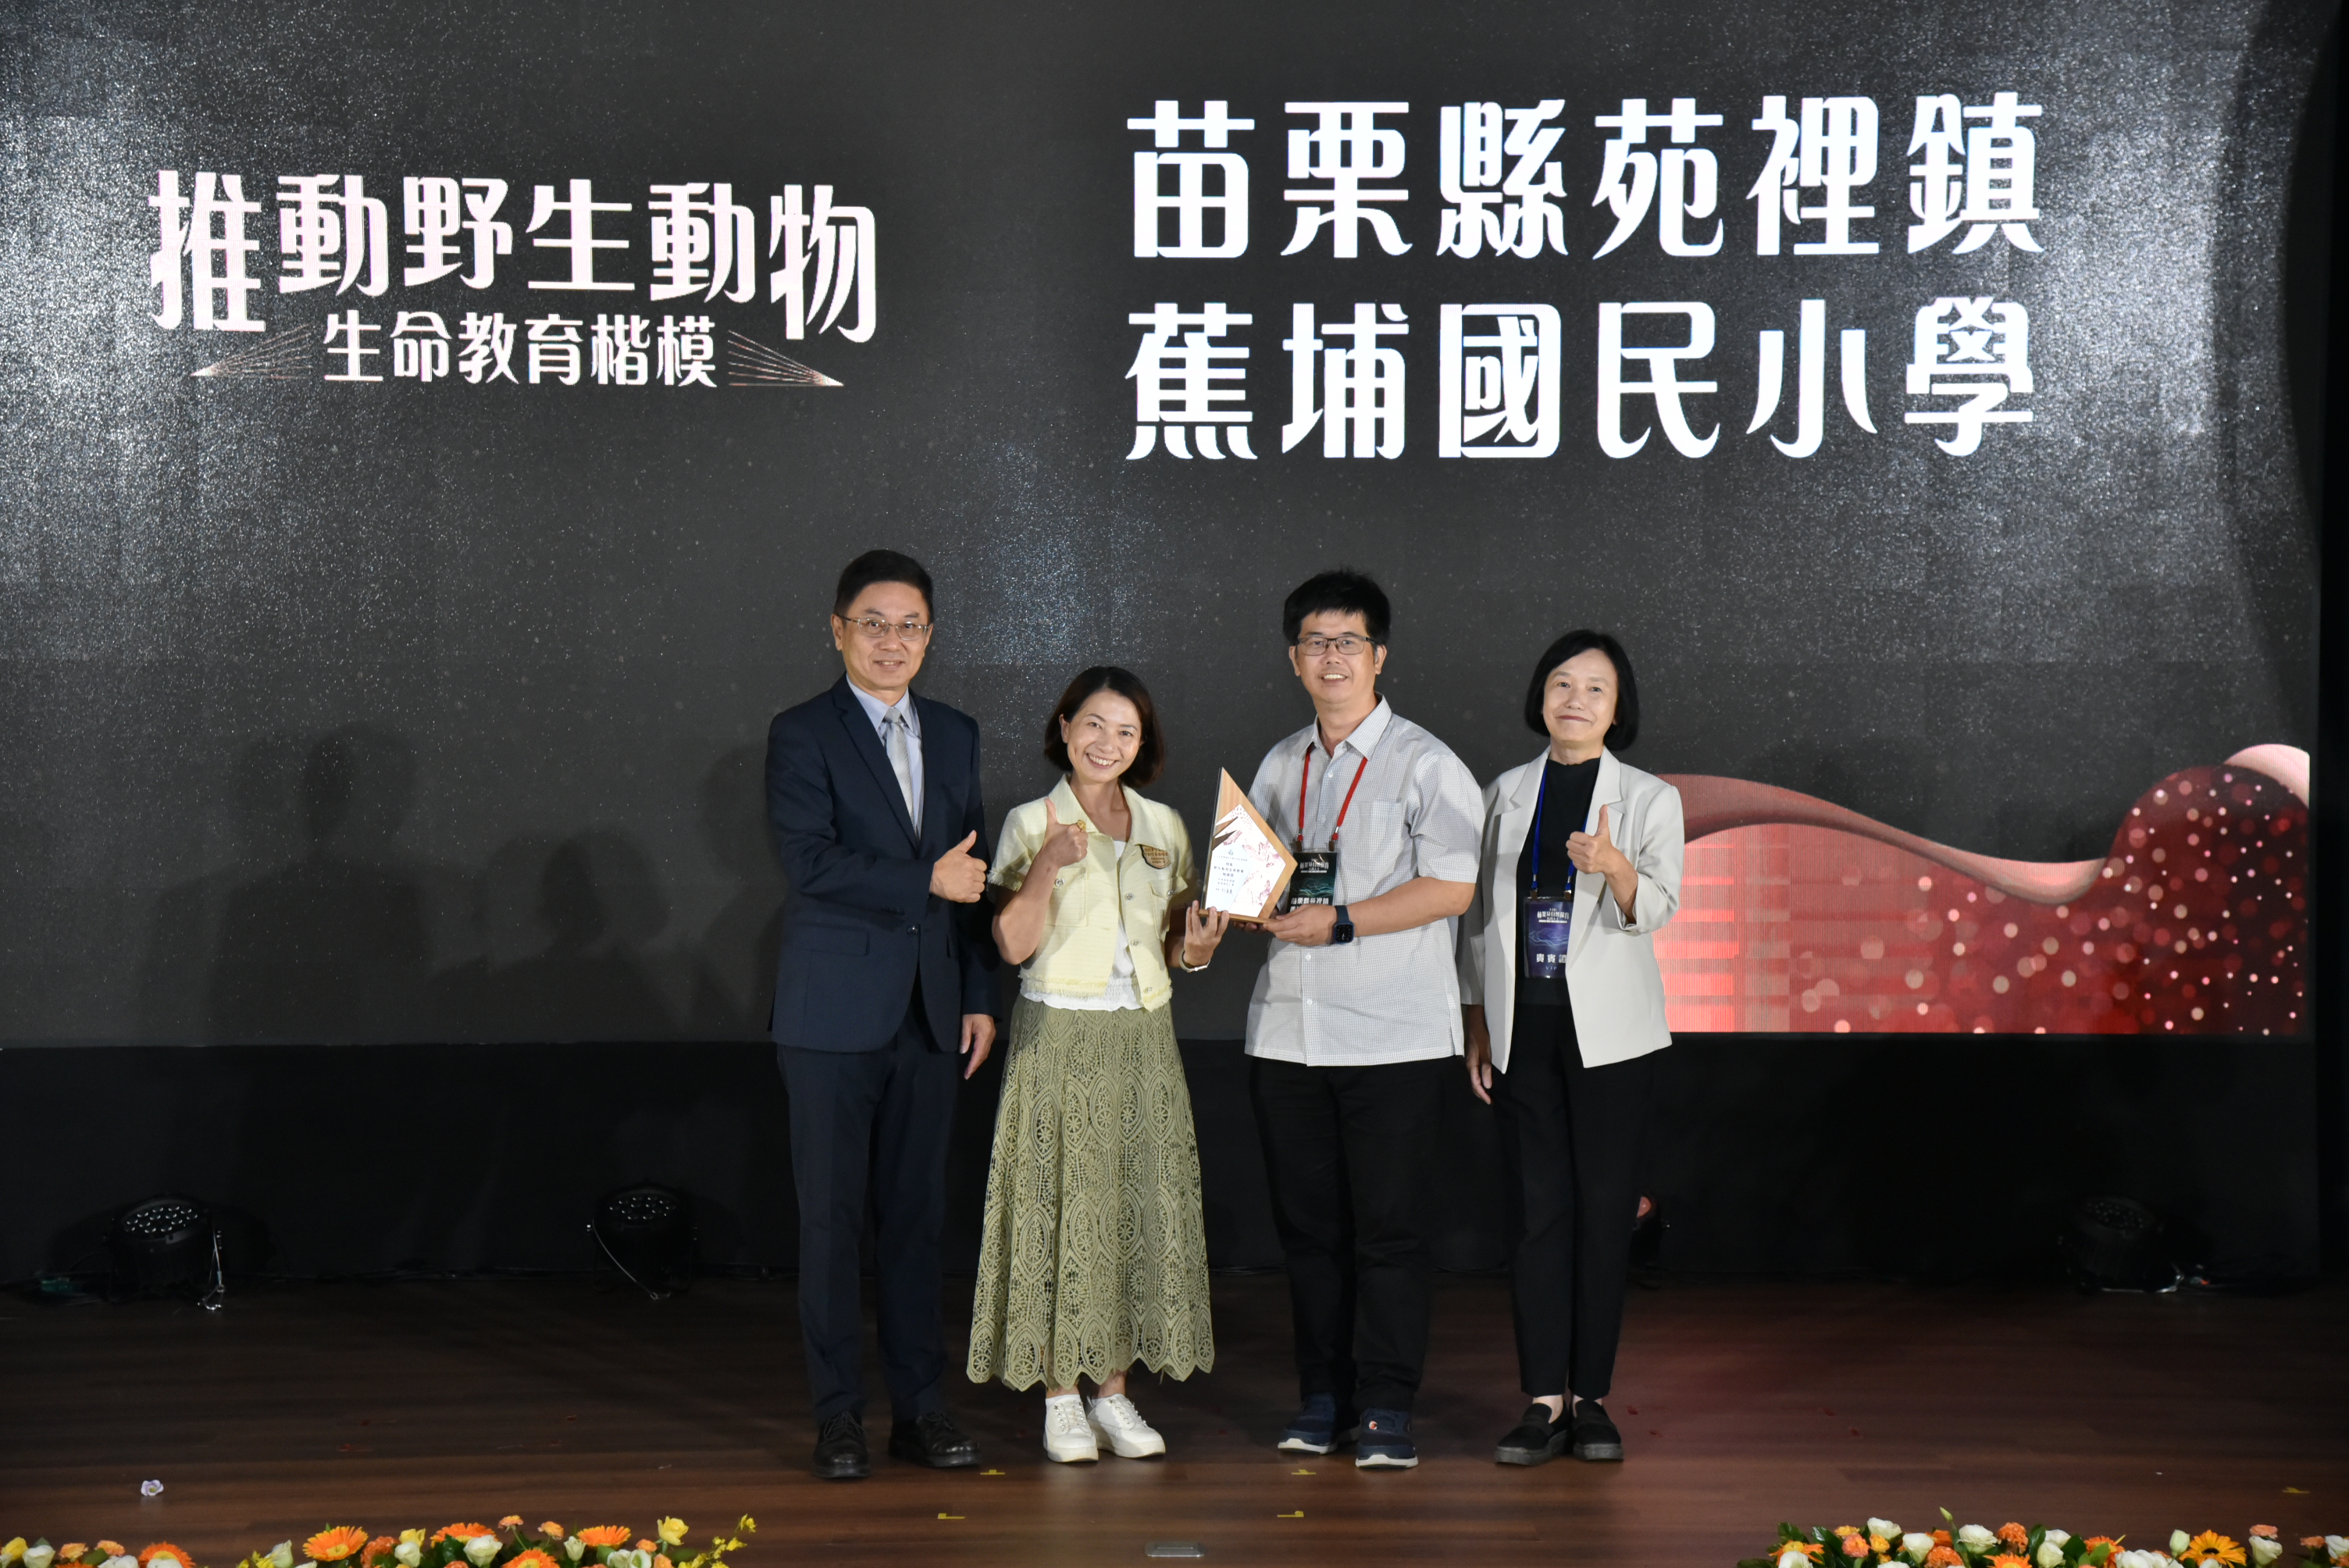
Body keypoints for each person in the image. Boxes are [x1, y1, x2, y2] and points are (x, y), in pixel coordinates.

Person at [765, 548, 1000, 1481]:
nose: (891, 641)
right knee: (829, 1224)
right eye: (873, 623)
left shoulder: (956, 732)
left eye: (909, 626)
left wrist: (977, 994)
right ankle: (837, 1417)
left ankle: (920, 1408)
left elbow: (972, 876)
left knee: (915, 1220)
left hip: (932, 1014)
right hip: (829, 1015)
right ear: (838, 630)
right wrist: (921, 880)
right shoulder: (801, 732)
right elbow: (806, 859)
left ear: (928, 636)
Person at [1242, 569, 1484, 1471]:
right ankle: (1321, 1396)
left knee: (1388, 1232)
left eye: (1347, 642)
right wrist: (1227, 911)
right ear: (1293, 658)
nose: (1330, 657)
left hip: (1392, 1036)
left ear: (1378, 657)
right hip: (1287, 1034)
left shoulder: (1425, 763)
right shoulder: (1280, 763)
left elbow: (1452, 887)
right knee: (1308, 1232)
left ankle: (1384, 1403)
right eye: (1314, 642)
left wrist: (1340, 919)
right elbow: (1252, 880)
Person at [967, 666, 1229, 1463]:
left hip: (1143, 1034)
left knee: (1128, 1205)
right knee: (1060, 1204)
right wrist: (1049, 862)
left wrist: (1200, 947)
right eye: (1093, 724)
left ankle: (1112, 1394)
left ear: (1142, 744)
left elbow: (1176, 944)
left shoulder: (1163, 826)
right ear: (1064, 727)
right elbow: (1012, 945)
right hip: (1058, 1030)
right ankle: (1060, 1398)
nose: (1106, 743)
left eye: (1125, 731)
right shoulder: (1031, 821)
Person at [1457, 629, 1684, 1466]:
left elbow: (1657, 907)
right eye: (1561, 683)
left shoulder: (1649, 797)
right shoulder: (1503, 793)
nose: (1575, 699)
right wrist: (1475, 1020)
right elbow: (1475, 919)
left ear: (1617, 709)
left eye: (1594, 688)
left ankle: (1589, 1396)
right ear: (1539, 697)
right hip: (1524, 1027)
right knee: (1535, 1214)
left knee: (1602, 1213)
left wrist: (1617, 868)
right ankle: (1541, 1398)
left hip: (1612, 1038)